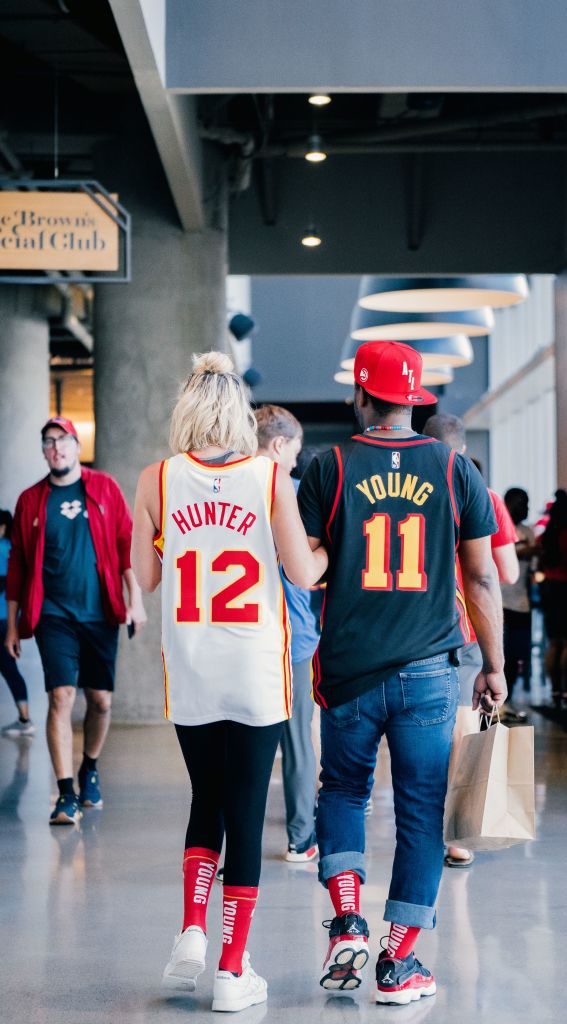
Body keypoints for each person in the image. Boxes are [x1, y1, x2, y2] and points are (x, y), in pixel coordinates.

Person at [297, 341, 505, 1004]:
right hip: (427, 672)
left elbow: (305, 568)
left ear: (359, 396)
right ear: (416, 399)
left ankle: (348, 922)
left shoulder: (326, 467)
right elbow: (480, 575)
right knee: (421, 810)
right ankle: (397, 962)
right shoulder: (453, 469)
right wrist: (494, 666)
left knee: (342, 793)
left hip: (350, 669)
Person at [131, 353, 328, 1014]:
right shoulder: (268, 477)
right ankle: (231, 968)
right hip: (253, 668)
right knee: (245, 812)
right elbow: (303, 574)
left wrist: (178, 543)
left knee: (205, 798)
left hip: (190, 666)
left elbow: (147, 578)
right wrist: (326, 550)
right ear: (238, 415)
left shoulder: (155, 479)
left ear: (186, 410)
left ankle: (190, 927)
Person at [4, 416, 146, 825]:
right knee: (62, 697)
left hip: (100, 612)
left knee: (100, 700)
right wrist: (13, 624)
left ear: (74, 443)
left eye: (62, 440)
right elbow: (17, 565)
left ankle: (90, 768)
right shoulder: (31, 500)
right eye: (48, 442)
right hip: (53, 614)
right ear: (44, 450)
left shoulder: (103, 488)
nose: (56, 448)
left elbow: (126, 547)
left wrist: (134, 600)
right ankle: (65, 793)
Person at [422, 413, 519, 868]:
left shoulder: (414, 493)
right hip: (466, 625)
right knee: (465, 728)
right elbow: (508, 572)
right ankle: (457, 837)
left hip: (418, 623)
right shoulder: (485, 495)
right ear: (462, 449)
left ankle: (416, 828)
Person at [255, 404, 319, 862]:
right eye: (294, 451)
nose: (296, 461)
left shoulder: (226, 491)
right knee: (298, 740)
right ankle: (301, 838)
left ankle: (238, 847)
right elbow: (308, 574)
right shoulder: (294, 493)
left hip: (237, 636)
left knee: (241, 745)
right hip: (290, 637)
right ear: (279, 445)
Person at [538, 490, 567, 706]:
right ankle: (566, 689)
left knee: (553, 643)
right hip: (566, 589)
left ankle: (554, 690)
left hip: (549, 589)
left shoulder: (546, 536)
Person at [500, 488, 537, 708]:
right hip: (501, 601)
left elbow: (532, 569)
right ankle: (498, 703)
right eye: (522, 503)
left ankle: (508, 698)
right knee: (500, 654)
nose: (526, 508)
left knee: (516, 654)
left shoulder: (528, 532)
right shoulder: (497, 526)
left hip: (521, 602)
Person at [0, 510, 33, 737]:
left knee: (9, 668)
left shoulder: (4, 549)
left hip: (2, 619)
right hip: (9, 619)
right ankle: (24, 718)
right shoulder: (12, 548)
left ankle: (25, 719)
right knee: (9, 668)